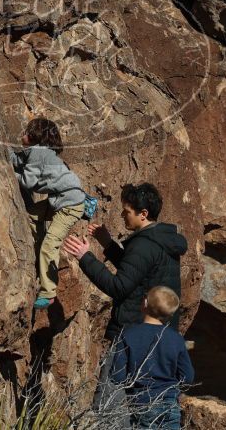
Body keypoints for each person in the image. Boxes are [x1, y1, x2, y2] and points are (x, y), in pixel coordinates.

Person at [62, 183, 187, 417]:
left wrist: (84, 257)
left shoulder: (143, 245)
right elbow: (137, 274)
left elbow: (119, 287)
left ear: (143, 214)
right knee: (146, 409)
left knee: (109, 408)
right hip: (157, 336)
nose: (122, 215)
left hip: (132, 336)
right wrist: (108, 244)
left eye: (127, 211)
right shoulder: (161, 240)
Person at [10, 117, 85, 310]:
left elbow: (27, 182)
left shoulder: (38, 152)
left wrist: (7, 172)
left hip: (69, 203)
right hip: (61, 198)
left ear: (36, 137)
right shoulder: (38, 152)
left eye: (27, 131)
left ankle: (48, 292)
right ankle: (39, 254)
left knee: (50, 245)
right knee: (31, 215)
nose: (23, 134)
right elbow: (17, 159)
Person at [111, 286, 194, 429]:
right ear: (170, 314)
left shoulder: (128, 335)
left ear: (144, 303)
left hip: (141, 402)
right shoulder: (176, 339)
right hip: (169, 401)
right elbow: (188, 377)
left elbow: (117, 376)